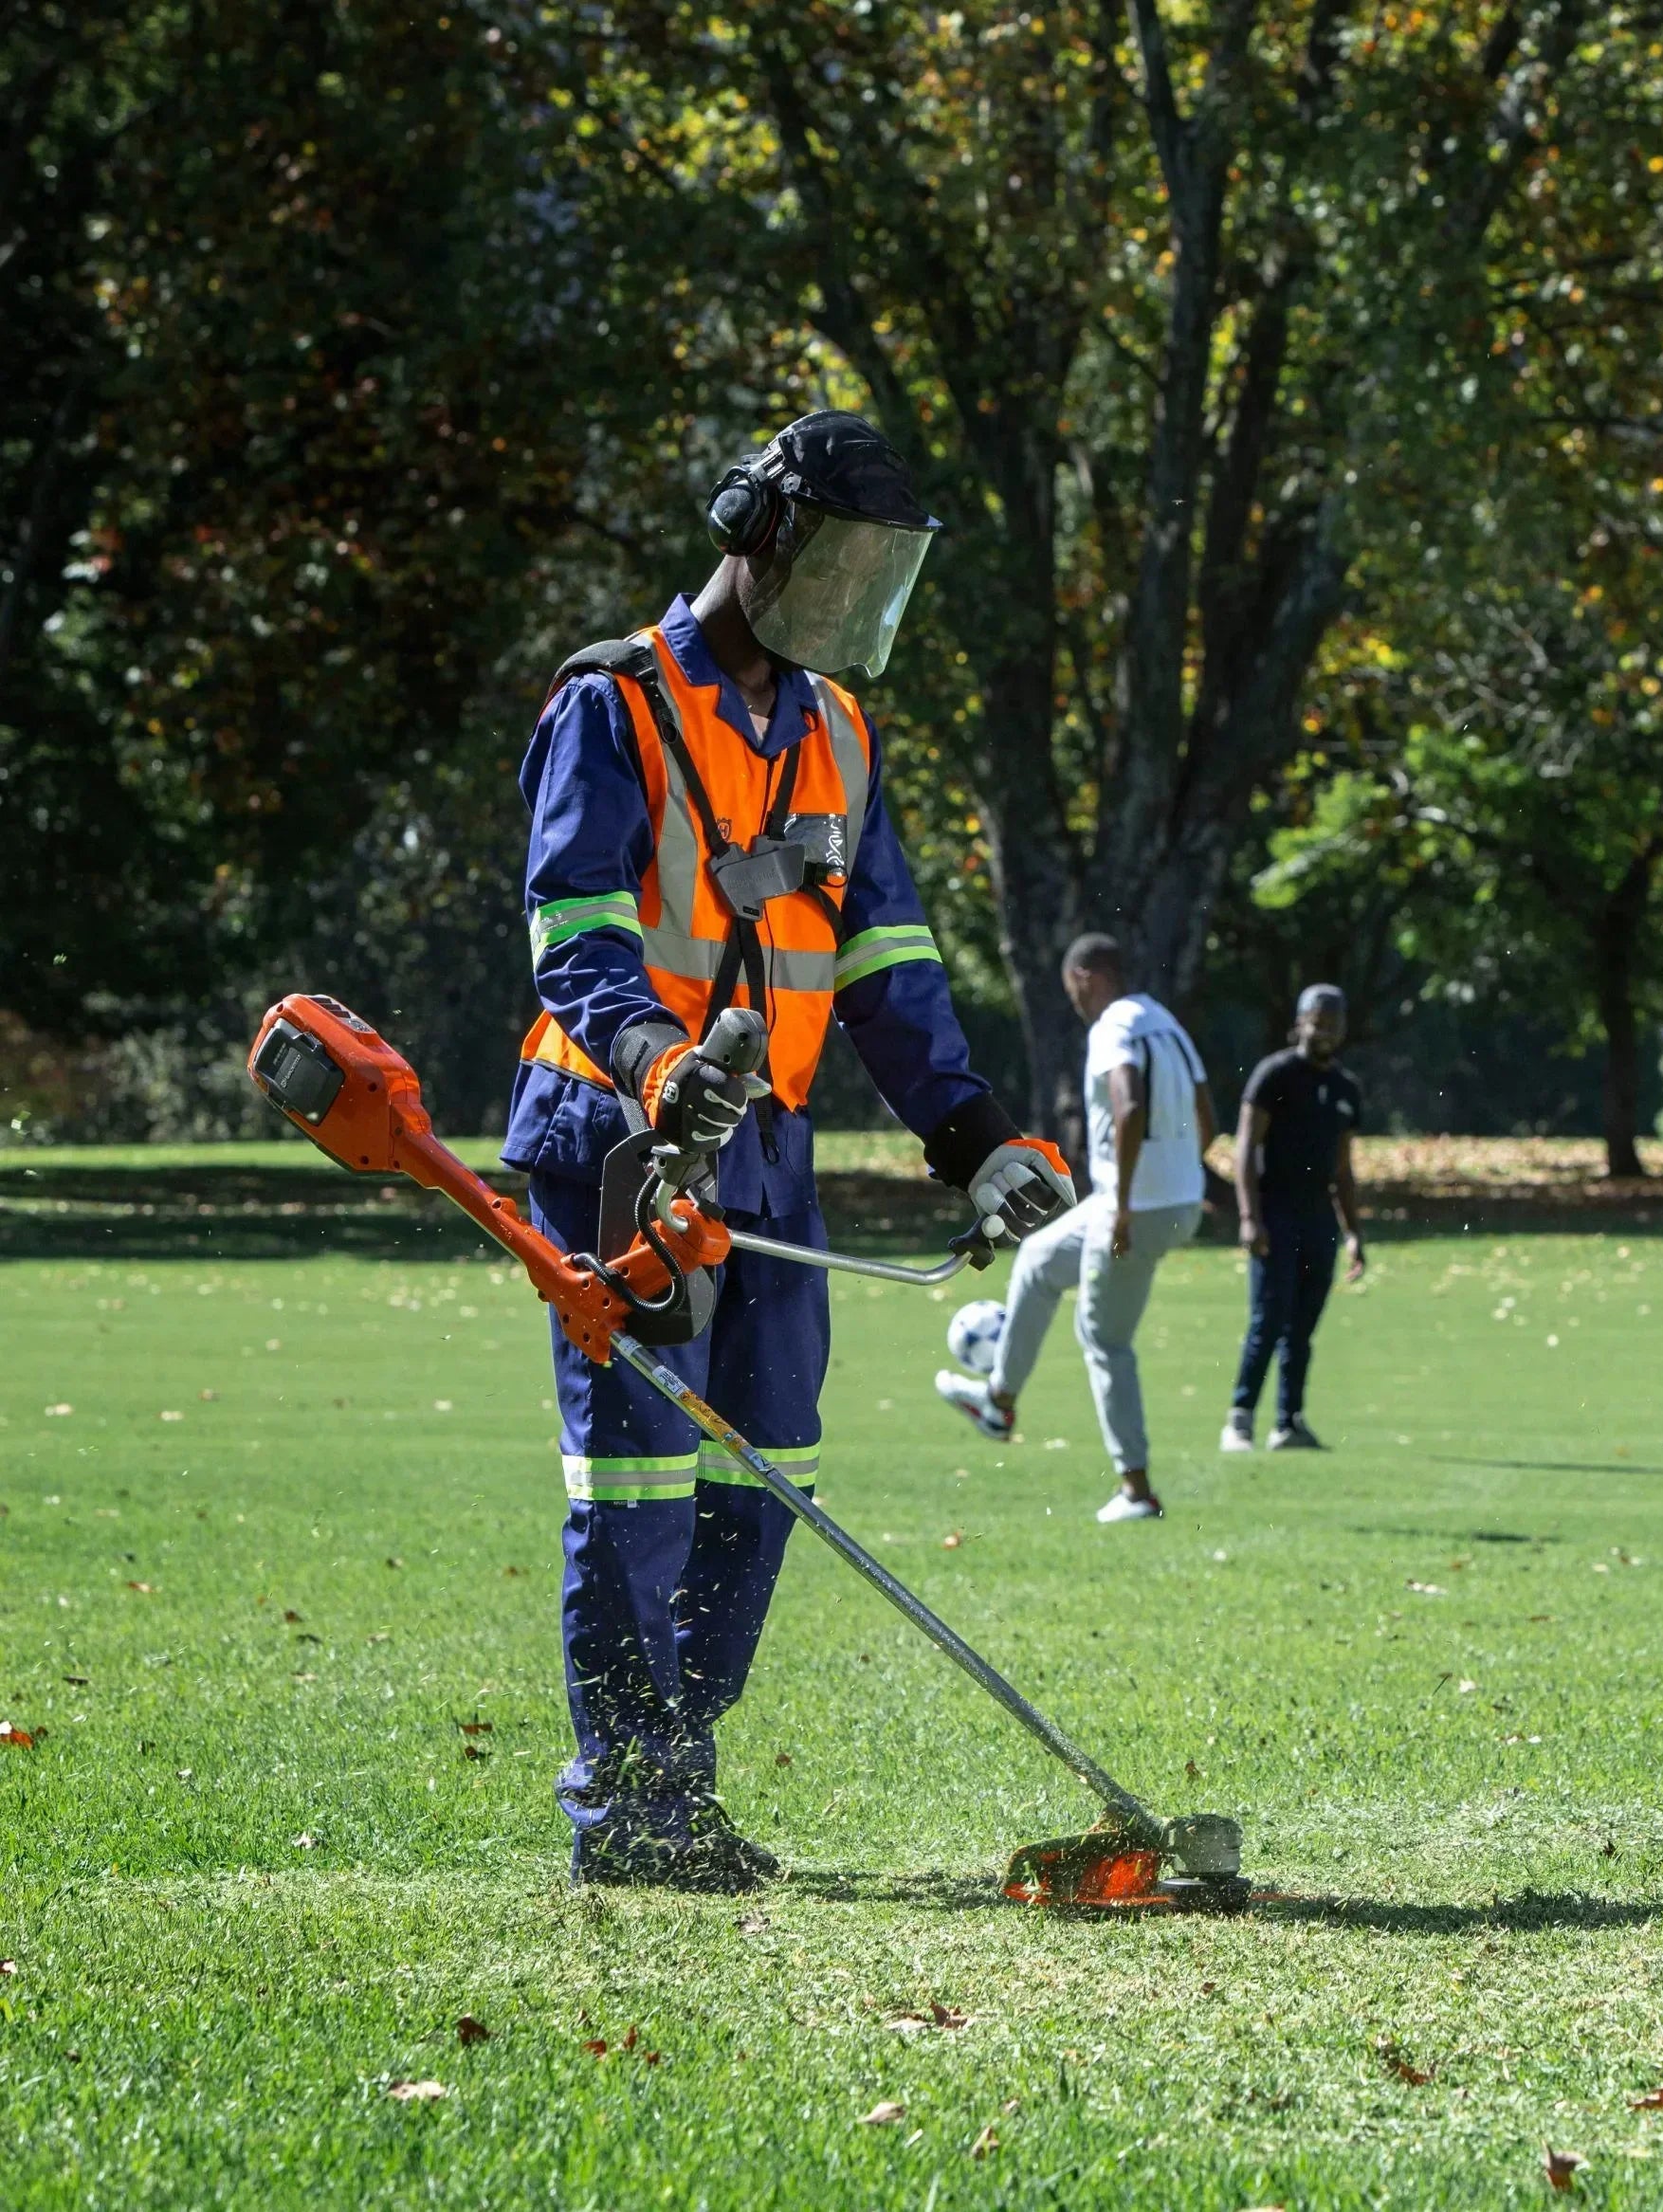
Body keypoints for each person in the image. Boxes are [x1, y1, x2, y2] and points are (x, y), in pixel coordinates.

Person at [508, 411, 1076, 1891]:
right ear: (755, 531)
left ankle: (677, 1773)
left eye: (878, 573)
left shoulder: (837, 728)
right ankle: (623, 1806)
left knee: (767, 1476)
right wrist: (660, 1063)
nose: (849, 597)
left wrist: (968, 1133)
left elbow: (887, 958)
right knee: (636, 1480)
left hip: (764, 1157)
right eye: (835, 559)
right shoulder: (613, 704)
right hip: (623, 1146)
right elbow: (575, 929)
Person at [936, 934, 1217, 1524]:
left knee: (1105, 1340)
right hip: (1172, 1201)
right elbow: (1206, 1115)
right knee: (1038, 1259)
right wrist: (1179, 1180)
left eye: (1072, 989)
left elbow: (1129, 1105)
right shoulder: (1165, 1022)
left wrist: (1125, 1202)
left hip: (1130, 1206)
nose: (1074, 1002)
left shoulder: (1113, 1028)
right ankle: (999, 1402)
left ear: (1086, 975)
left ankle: (1137, 1491)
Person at [1224, 983, 1366, 1452]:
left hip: (1318, 1218)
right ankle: (1239, 1419)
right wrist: (1250, 1216)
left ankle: (1288, 1422)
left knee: (1303, 1326)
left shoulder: (1346, 1090)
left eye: (1333, 1022)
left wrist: (1353, 1232)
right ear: (1300, 1021)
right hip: (1275, 1211)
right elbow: (1245, 1146)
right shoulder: (1274, 1075)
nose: (1324, 1030)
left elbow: (1343, 1169)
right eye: (1317, 1020)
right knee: (1269, 1317)